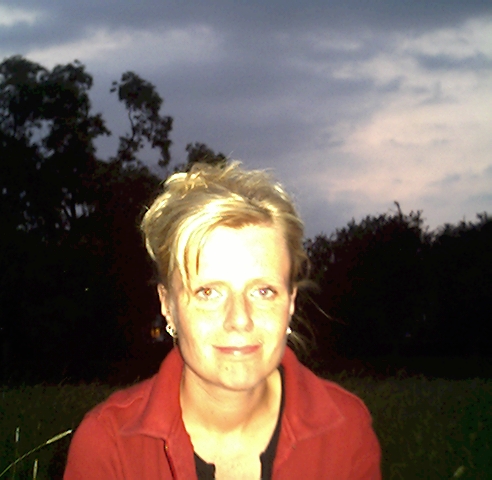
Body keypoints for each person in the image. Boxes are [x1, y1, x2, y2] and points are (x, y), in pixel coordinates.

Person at [64, 162, 381, 479]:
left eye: (263, 291)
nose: (239, 319)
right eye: (208, 293)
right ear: (168, 305)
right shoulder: (109, 445)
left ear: (291, 302)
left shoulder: (346, 430)